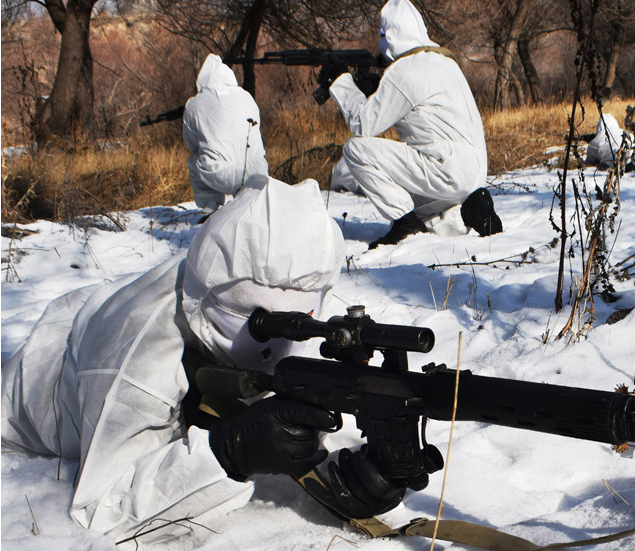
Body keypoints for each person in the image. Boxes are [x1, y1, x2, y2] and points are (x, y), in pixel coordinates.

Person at [1, 177, 402, 543]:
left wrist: (353, 477)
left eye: (298, 321)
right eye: (253, 319)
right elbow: (102, 510)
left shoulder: (271, 294)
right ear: (207, 295)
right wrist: (228, 454)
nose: (272, 346)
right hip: (40, 384)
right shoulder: (137, 358)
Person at [323, 0, 501, 248]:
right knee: (423, 211)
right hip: (473, 175)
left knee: (355, 150)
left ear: (392, 35)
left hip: (444, 169)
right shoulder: (444, 62)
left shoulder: (406, 69)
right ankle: (468, 213)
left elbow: (363, 124)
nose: (381, 45)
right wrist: (377, 88)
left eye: (383, 36)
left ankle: (404, 224)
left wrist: (340, 82)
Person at [183, 54, 270, 212]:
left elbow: (191, 143)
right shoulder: (246, 96)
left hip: (217, 174)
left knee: (195, 159)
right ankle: (256, 207)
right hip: (255, 173)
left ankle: (210, 210)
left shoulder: (194, 104)